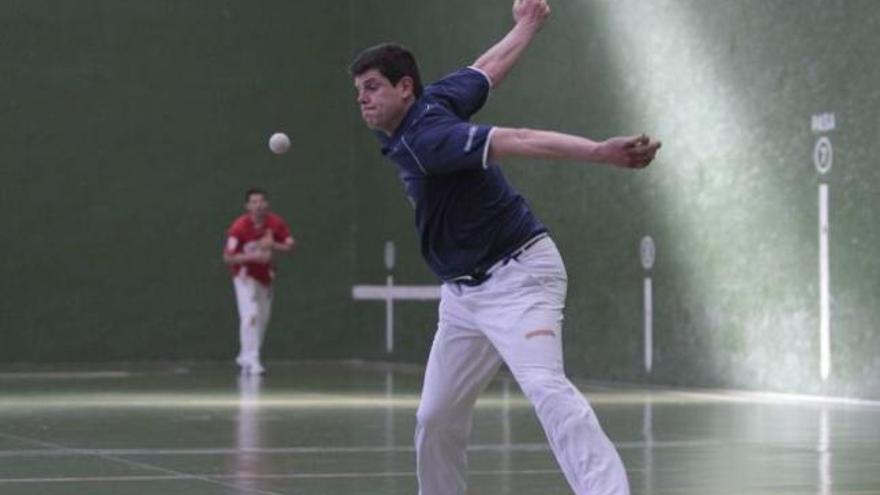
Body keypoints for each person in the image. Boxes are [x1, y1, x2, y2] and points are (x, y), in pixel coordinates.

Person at [349, 0, 660, 493]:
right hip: (464, 296)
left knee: (545, 388)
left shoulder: (427, 139)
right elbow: (487, 70)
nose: (362, 100)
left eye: (372, 88)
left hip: (521, 277)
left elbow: (519, 138)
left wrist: (600, 152)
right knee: (435, 417)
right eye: (358, 91)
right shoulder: (438, 101)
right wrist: (527, 24)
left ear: (404, 87)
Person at [223, 188, 296, 375]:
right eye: (254, 202)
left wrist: (273, 245)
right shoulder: (238, 227)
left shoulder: (275, 223)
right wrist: (254, 257)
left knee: (262, 319)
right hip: (244, 276)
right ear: (247, 206)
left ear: (267, 204)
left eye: (261, 201)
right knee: (251, 315)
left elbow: (290, 245)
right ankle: (253, 359)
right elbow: (228, 258)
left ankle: (244, 356)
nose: (258, 206)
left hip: (266, 277)